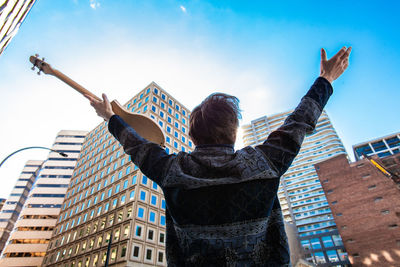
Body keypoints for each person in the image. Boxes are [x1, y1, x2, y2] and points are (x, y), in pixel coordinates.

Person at [85, 46, 351, 266]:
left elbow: (135, 144)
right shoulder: (263, 163)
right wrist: (325, 79)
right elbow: (300, 120)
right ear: (234, 132)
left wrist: (110, 116)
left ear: (192, 136)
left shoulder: (172, 170)